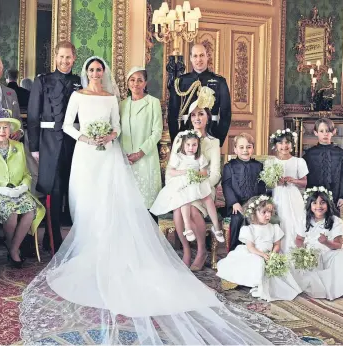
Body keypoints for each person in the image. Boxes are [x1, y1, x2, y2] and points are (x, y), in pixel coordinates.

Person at [18, 56, 295, 345]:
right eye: (91, 69)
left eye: (99, 69)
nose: (96, 73)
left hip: (110, 155)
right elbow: (66, 125)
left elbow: (116, 126)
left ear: (105, 72)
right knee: (84, 202)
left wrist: (109, 135)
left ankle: (113, 248)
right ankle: (89, 245)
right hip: (86, 156)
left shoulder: (113, 98)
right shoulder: (77, 94)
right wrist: (87, 138)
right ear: (85, 72)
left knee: (111, 202)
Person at [27, 41, 82, 252]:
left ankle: (74, 235)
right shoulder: (43, 81)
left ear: (74, 58)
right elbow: (33, 115)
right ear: (55, 57)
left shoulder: (79, 81)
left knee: (73, 188)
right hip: (49, 141)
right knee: (55, 189)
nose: (65, 61)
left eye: (68, 57)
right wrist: (34, 146)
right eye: (61, 57)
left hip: (74, 142)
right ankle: (53, 237)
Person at [0, 109, 45, 267]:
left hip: (18, 190)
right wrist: (0, 189)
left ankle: (13, 247)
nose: (2, 131)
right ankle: (12, 248)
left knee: (31, 210)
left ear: (10, 130)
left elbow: (27, 174)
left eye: (5, 127)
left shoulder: (18, 146)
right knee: (11, 212)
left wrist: (24, 186)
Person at [151, 129, 224, 266]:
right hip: (182, 186)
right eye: (188, 145)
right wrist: (184, 173)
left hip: (199, 185)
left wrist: (197, 176)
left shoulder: (207, 149)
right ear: (183, 145)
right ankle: (187, 247)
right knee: (180, 206)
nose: (191, 148)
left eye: (194, 145)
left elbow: (208, 172)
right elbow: (171, 171)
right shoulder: (179, 153)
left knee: (200, 204)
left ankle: (205, 245)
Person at [168, 87, 222, 270]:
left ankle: (201, 251)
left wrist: (201, 187)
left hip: (203, 188)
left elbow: (215, 173)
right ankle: (186, 250)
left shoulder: (214, 143)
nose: (197, 118)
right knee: (178, 210)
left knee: (191, 209)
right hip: (182, 185)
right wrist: (177, 185)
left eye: (201, 114)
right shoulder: (180, 138)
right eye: (193, 115)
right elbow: (171, 168)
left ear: (207, 117)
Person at [216, 195, 302, 302]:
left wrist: (273, 254)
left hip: (269, 254)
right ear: (254, 213)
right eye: (264, 212)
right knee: (258, 262)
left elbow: (277, 244)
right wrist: (262, 255)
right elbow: (250, 247)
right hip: (254, 253)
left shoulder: (274, 228)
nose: (268, 215)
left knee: (286, 264)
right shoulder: (249, 229)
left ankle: (274, 285)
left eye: (270, 212)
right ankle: (253, 282)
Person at [292, 187, 343, 300]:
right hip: (311, 253)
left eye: (322, 203)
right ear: (310, 205)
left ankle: (340, 286)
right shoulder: (305, 220)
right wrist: (303, 252)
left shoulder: (335, 221)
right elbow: (299, 239)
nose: (318, 206)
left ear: (328, 204)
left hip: (329, 252)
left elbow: (338, 245)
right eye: (315, 203)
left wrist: (326, 242)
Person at [119, 67, 162, 219]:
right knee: (128, 205)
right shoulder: (122, 105)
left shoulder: (153, 103)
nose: (135, 83)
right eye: (132, 79)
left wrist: (141, 152)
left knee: (147, 205)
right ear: (127, 82)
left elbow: (157, 132)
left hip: (146, 158)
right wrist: (123, 155)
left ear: (145, 83)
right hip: (126, 159)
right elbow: (118, 132)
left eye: (139, 80)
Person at [168, 44, 231, 146]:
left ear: (207, 57)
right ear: (191, 58)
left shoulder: (219, 81)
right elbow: (172, 114)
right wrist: (176, 140)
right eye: (195, 56)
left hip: (211, 133)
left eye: (202, 55)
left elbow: (226, 114)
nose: (199, 59)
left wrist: (219, 139)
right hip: (185, 133)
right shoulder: (180, 81)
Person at [222, 133, 267, 250]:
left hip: (255, 203)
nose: (245, 150)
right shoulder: (229, 166)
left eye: (248, 147)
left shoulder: (259, 166)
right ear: (235, 149)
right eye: (241, 147)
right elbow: (226, 185)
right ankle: (235, 250)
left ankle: (257, 249)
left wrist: (261, 203)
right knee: (237, 219)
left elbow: (262, 185)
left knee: (257, 217)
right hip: (237, 204)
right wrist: (233, 203)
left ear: (253, 148)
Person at [270, 129, 307, 252]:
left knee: (294, 220)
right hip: (278, 195)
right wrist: (276, 182)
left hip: (293, 195)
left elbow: (305, 182)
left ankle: (295, 250)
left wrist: (294, 181)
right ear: (275, 145)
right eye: (281, 143)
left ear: (293, 144)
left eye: (287, 142)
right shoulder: (271, 162)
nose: (284, 146)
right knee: (281, 219)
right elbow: (267, 184)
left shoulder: (298, 161)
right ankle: (279, 250)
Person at [303, 118, 343, 213]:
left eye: (328, 131)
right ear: (315, 132)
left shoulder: (340, 153)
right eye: (321, 131)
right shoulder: (309, 154)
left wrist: (342, 196)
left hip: (334, 194)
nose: (325, 134)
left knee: (332, 221)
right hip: (314, 195)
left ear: (334, 132)